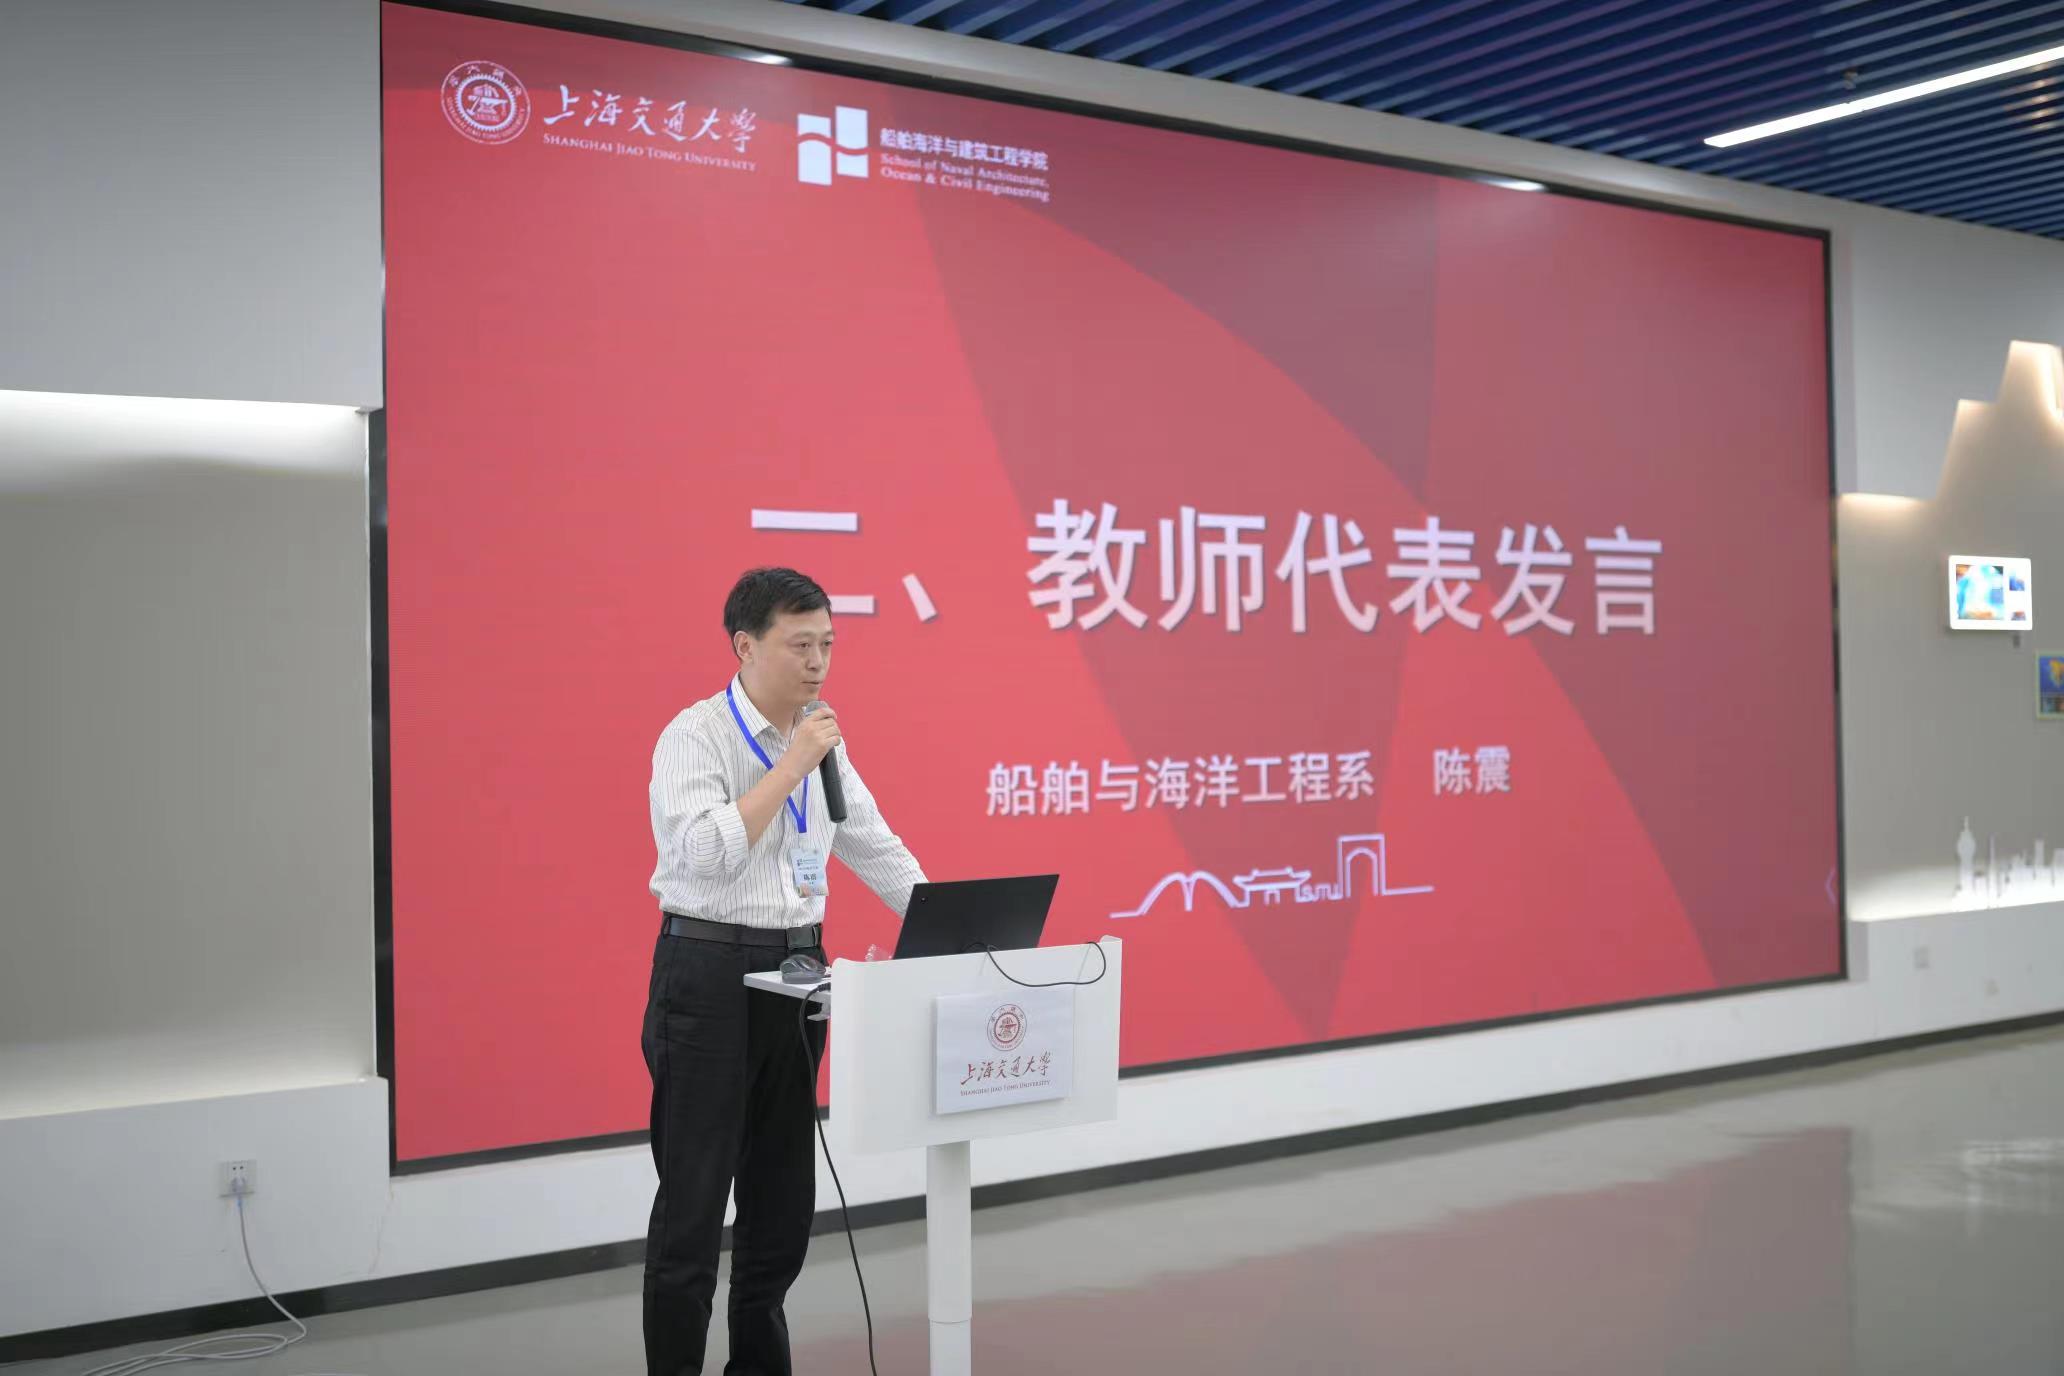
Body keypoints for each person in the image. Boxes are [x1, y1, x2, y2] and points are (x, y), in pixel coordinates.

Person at [642, 567, 927, 1375]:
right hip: (707, 971)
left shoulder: (821, 740)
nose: (818, 663)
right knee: (694, 1208)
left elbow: (873, 845)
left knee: (781, 1206)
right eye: (800, 645)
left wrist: (950, 922)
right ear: (745, 646)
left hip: (798, 972)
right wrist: (792, 766)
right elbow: (701, 853)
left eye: (827, 645)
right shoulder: (696, 735)